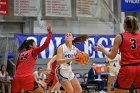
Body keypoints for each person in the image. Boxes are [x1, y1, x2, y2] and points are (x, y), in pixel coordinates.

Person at [95, 16, 140, 93]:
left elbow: (112, 56)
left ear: (124, 25)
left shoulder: (120, 37)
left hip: (127, 69)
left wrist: (103, 50)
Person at [11, 25, 52, 93]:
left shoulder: (21, 54)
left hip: (16, 78)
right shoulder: (33, 51)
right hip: (26, 78)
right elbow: (45, 45)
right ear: (31, 46)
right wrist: (50, 32)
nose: (36, 45)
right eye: (35, 44)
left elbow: (17, 67)